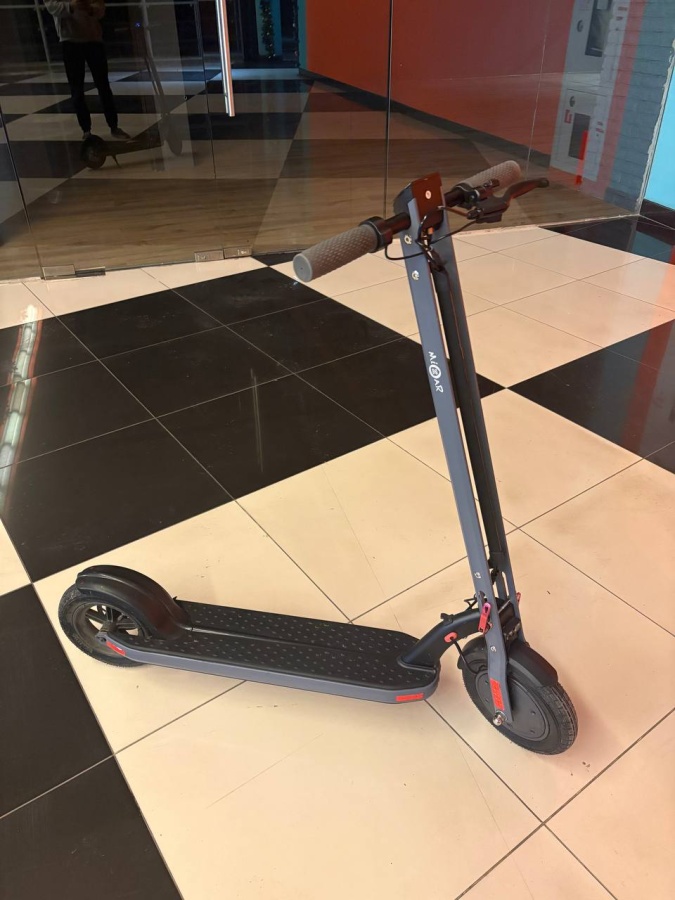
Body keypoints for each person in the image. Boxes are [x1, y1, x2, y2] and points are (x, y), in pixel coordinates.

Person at [45, 0, 130, 141]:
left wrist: (90, 9)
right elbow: (52, 7)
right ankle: (86, 130)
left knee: (103, 86)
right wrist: (71, 6)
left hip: (93, 39)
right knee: (77, 89)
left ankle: (113, 126)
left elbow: (100, 9)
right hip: (70, 41)